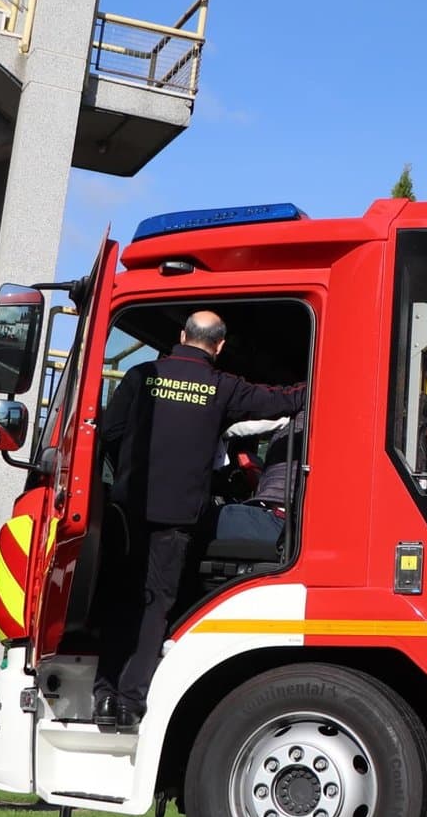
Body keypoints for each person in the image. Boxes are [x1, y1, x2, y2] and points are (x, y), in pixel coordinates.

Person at [95, 311, 306, 726]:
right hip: (178, 516)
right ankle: (129, 702)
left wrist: (128, 476)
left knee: (122, 598)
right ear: (220, 346)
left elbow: (111, 434)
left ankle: (103, 695)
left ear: (181, 335)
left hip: (129, 509)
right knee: (156, 604)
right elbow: (282, 400)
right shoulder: (221, 386)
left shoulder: (140, 376)